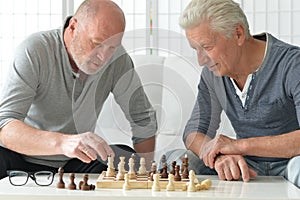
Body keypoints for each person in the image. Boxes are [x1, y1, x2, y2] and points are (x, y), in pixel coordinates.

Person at [0, 0, 157, 179]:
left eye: (112, 47)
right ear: (73, 27)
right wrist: (64, 143)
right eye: (96, 43)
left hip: (75, 161)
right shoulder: (35, 50)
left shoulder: (117, 60)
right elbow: (5, 126)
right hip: (18, 157)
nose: (104, 57)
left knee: (126, 159)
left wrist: (147, 174)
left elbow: (142, 118)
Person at [172, 0, 300, 187]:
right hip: (244, 164)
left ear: (238, 34)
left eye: (206, 47)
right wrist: (218, 157)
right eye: (196, 50)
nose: (201, 61)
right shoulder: (213, 72)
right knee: (176, 159)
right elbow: (194, 132)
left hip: (292, 161)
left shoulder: (292, 64)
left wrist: (238, 146)